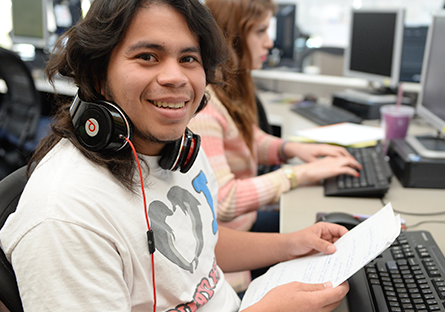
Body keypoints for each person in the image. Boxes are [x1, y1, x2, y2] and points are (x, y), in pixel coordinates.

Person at [0, 0, 349, 311]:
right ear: (98, 73)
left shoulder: (178, 149)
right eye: (147, 57)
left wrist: (292, 243)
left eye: (188, 59)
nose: (175, 77)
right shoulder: (64, 218)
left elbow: (198, 252)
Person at [188, 0, 362, 234]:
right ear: (232, 37)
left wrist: (291, 149)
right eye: (261, 31)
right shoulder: (204, 110)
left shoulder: (229, 88)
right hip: (232, 242)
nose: (269, 42)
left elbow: (248, 140)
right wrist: (301, 173)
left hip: (243, 222)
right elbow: (222, 200)